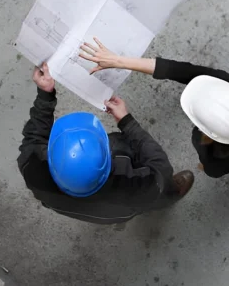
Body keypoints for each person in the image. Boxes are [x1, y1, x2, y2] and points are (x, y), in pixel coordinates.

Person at [17, 63, 194, 224]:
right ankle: (169, 196)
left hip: (99, 213)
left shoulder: (32, 169)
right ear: (106, 168)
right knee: (153, 190)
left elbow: (33, 137)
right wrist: (127, 122)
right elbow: (161, 168)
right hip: (128, 204)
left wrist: (45, 93)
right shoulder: (131, 185)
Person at [79, 38, 229, 178]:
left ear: (207, 134)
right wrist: (117, 61)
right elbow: (179, 70)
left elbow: (214, 171)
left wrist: (119, 61)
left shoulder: (204, 146)